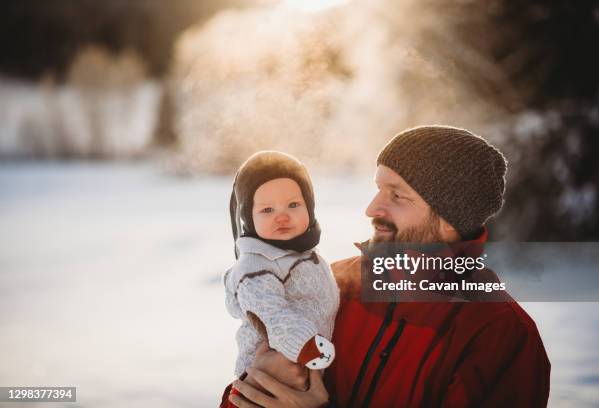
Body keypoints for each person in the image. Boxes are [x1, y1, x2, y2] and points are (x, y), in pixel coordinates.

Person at [222, 126, 551, 407]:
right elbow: (245, 394)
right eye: (378, 188)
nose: (371, 208)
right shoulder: (331, 284)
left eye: (397, 195)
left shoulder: (500, 334)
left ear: (450, 221)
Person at [223, 151, 340, 406]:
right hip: (273, 375)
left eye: (293, 205)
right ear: (248, 217)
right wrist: (305, 345)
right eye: (267, 209)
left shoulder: (301, 255)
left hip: (306, 369)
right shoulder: (257, 266)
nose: (282, 216)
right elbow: (271, 313)